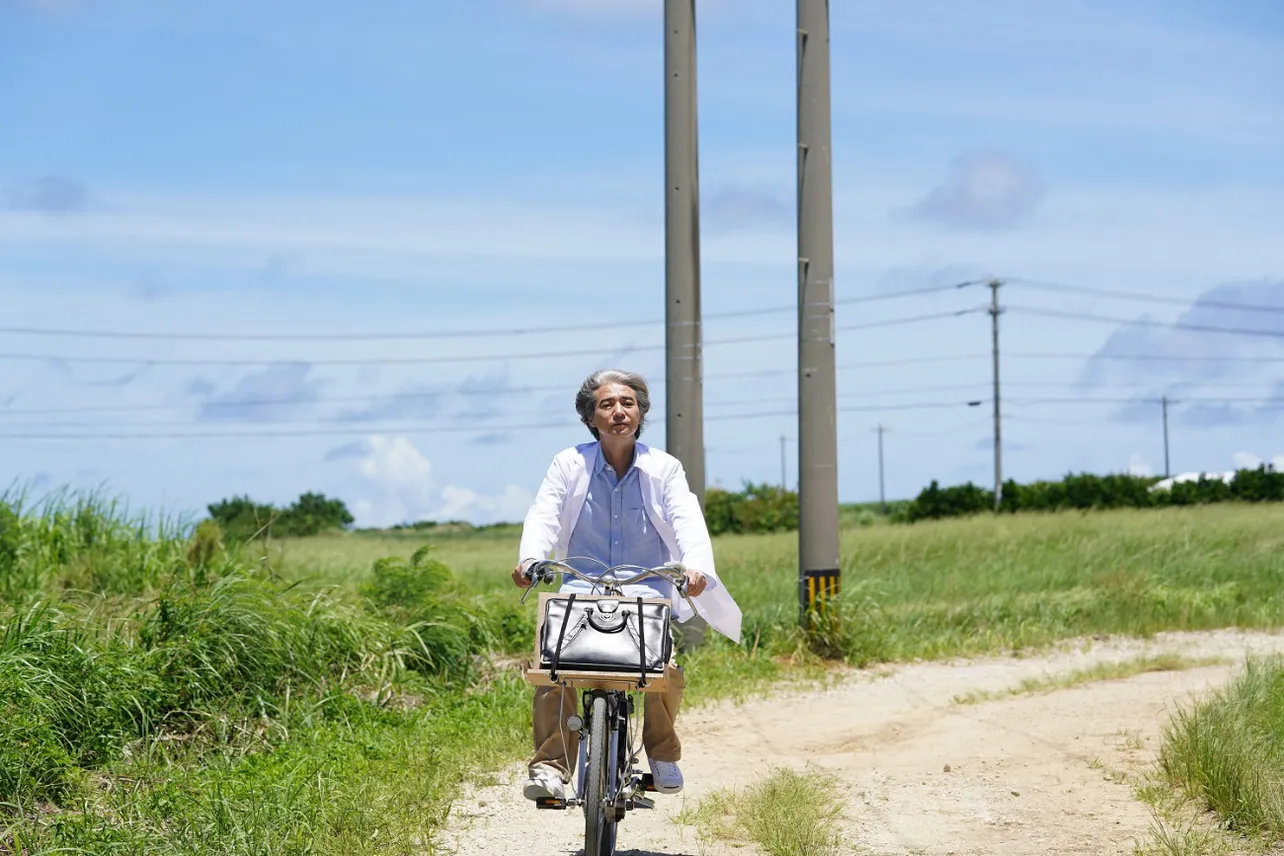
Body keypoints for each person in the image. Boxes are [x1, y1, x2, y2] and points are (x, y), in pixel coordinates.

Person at [512, 368, 742, 802]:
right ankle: (550, 769)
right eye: (607, 405)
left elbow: (686, 518)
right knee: (552, 669)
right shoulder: (569, 463)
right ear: (591, 418)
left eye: (628, 403)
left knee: (664, 671)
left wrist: (695, 569)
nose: (619, 411)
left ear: (640, 412)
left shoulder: (664, 468)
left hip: (647, 592)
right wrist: (529, 559)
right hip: (583, 590)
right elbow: (544, 512)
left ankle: (661, 755)